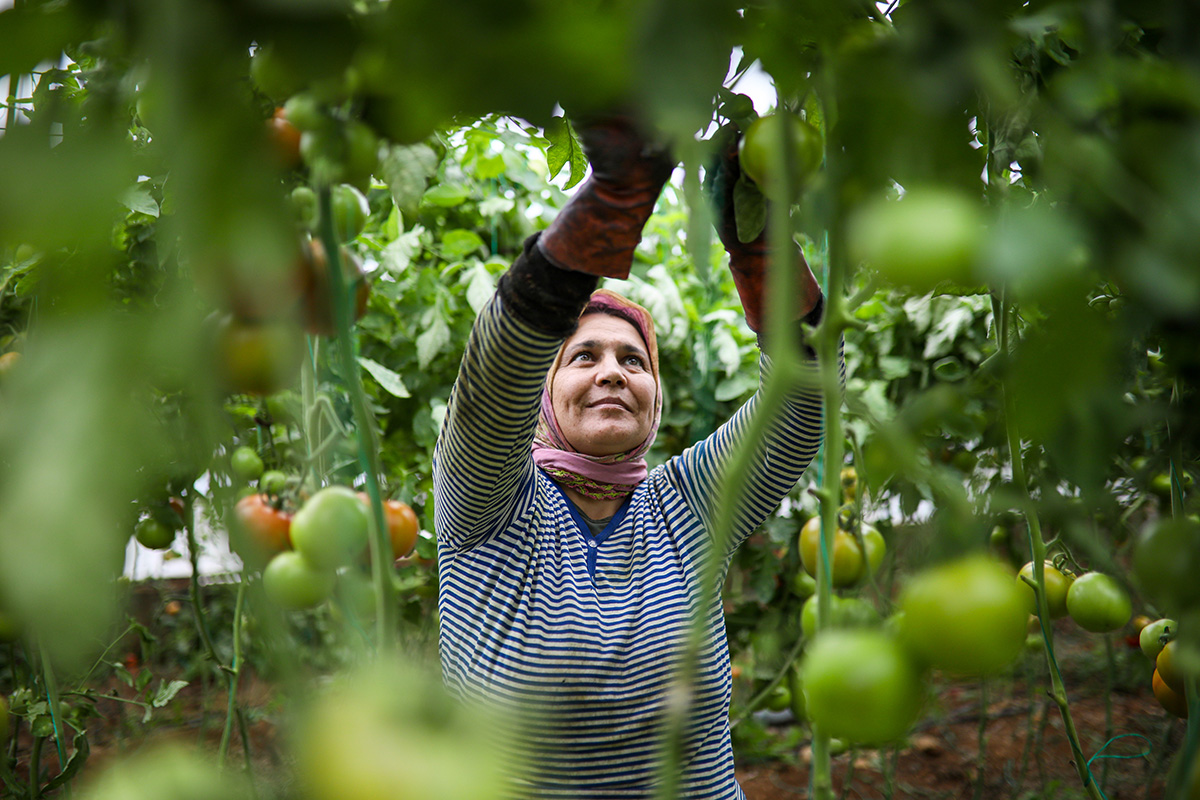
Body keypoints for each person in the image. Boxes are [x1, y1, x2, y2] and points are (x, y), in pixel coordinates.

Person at [433, 115, 831, 799]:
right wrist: (612, 203)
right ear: (544, 395)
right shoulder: (490, 504)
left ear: (655, 397)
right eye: (583, 356)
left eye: (633, 361)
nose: (612, 372)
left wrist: (758, 243)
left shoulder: (690, 506)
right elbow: (494, 380)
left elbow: (802, 405)